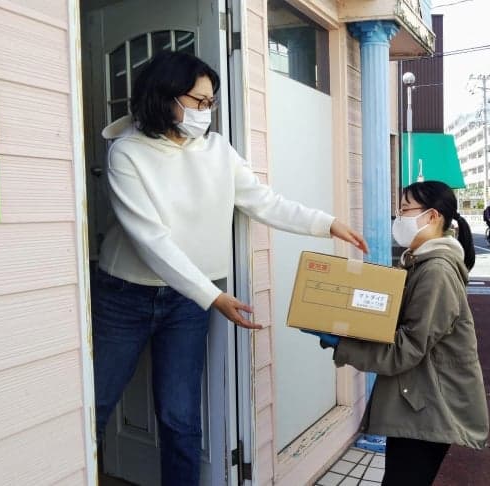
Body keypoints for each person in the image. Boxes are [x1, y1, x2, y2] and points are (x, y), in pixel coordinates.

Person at [93, 51, 368, 485]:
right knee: (96, 404)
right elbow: (151, 241)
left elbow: (264, 201)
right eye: (198, 101)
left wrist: (326, 223)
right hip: (125, 295)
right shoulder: (127, 153)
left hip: (188, 301)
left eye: (211, 102)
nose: (206, 111)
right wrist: (215, 297)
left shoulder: (217, 149)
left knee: (180, 415)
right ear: (165, 96)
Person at [305, 181, 489, 486]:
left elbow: (406, 349)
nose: (398, 218)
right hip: (418, 402)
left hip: (429, 408)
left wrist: (344, 343)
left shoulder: (436, 272)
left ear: (432, 217)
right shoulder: (420, 263)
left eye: (405, 210)